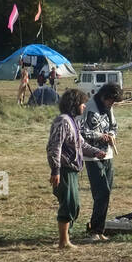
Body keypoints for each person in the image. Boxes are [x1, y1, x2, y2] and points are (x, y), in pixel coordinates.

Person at [46, 88, 106, 250]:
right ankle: (63, 242)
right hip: (64, 169)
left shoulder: (73, 121)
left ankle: (65, 237)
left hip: (72, 170)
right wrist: (55, 170)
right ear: (74, 104)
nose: (85, 106)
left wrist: (96, 152)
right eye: (82, 103)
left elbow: (81, 144)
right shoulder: (62, 121)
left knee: (74, 205)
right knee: (69, 204)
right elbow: (54, 146)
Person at [81, 82, 122, 241]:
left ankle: (99, 230)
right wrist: (101, 136)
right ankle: (95, 230)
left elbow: (114, 126)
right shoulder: (90, 107)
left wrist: (111, 134)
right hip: (93, 155)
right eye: (111, 100)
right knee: (101, 192)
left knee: (106, 193)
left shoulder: (109, 107)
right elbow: (84, 132)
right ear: (105, 96)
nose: (112, 104)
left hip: (108, 155)